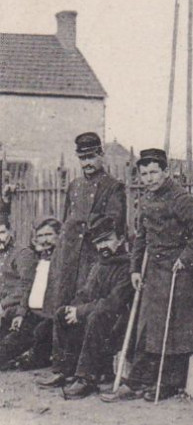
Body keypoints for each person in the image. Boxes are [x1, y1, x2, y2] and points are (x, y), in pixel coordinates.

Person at [102, 149, 193, 403]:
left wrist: (185, 257)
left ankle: (168, 383)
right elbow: (141, 237)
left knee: (174, 330)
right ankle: (138, 382)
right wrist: (135, 269)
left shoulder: (181, 198)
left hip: (180, 272)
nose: (149, 178)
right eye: (144, 173)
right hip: (154, 272)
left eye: (154, 172)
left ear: (165, 171)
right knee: (149, 328)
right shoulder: (147, 199)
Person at [38, 216, 133, 398]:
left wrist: (81, 312)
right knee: (61, 313)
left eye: (107, 240)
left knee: (96, 316)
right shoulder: (99, 265)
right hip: (96, 314)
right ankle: (64, 370)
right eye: (98, 242)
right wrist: (73, 309)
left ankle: (87, 378)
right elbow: (85, 293)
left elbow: (114, 303)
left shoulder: (127, 266)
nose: (102, 246)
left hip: (119, 321)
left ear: (121, 240)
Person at [46, 132, 126, 325]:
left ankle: (82, 355)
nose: (86, 163)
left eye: (91, 157)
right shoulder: (74, 185)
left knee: (83, 309)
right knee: (61, 305)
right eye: (82, 158)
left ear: (101, 155)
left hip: (92, 256)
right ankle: (61, 354)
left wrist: (87, 225)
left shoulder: (113, 187)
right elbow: (67, 219)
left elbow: (113, 223)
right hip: (68, 256)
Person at [0, 218, 62, 370]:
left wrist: (15, 309)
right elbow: (31, 288)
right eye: (40, 236)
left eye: (48, 234)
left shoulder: (25, 254)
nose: (44, 240)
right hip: (30, 311)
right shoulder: (42, 257)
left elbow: (25, 284)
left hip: (47, 314)